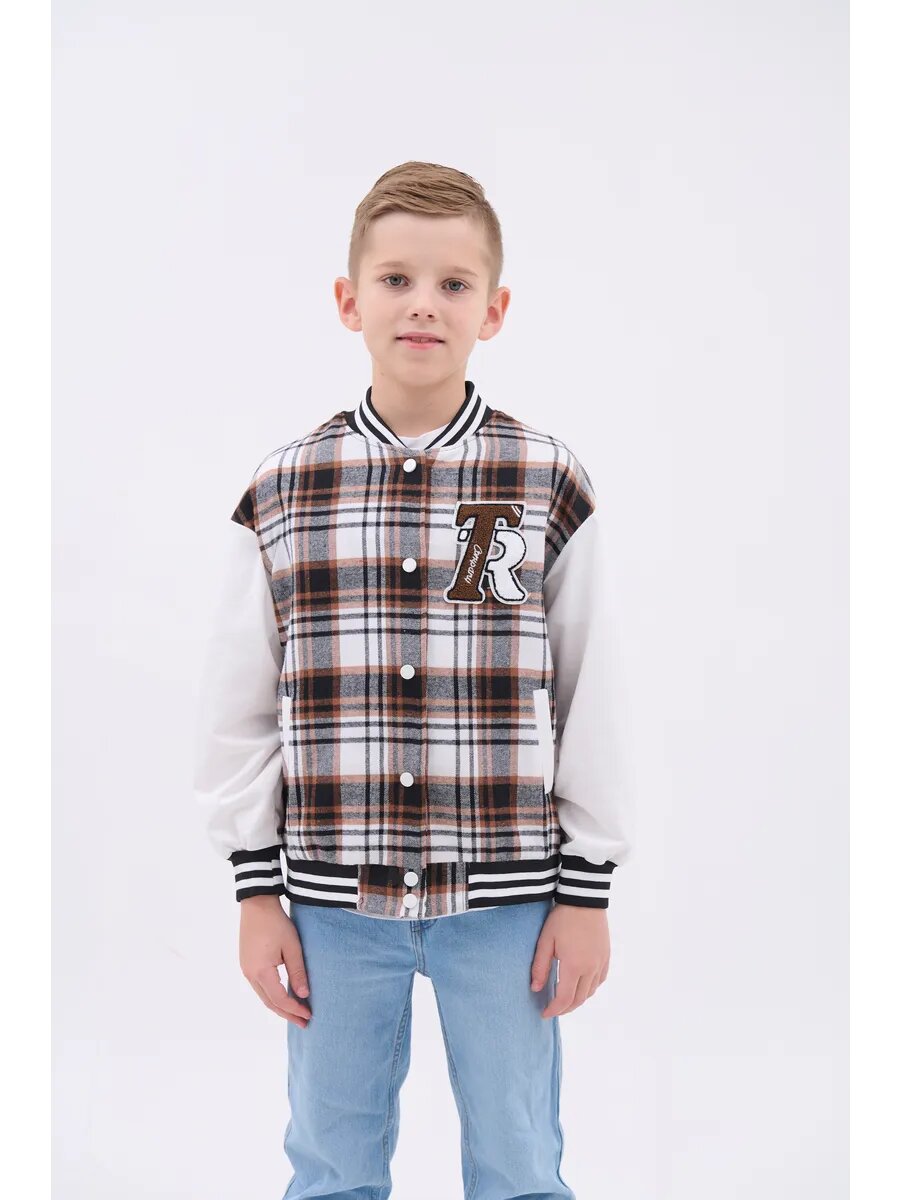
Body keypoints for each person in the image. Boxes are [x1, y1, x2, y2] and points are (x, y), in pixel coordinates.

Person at [194, 160, 635, 1200]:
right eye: (395, 279)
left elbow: (593, 691)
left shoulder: (543, 479)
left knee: (521, 1161)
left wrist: (587, 891)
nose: (423, 304)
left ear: (495, 309)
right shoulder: (284, 488)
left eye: (453, 283)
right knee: (331, 1162)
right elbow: (239, 702)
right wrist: (257, 892)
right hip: (333, 904)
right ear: (349, 301)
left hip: (509, 898)